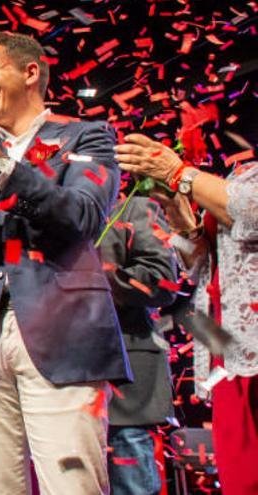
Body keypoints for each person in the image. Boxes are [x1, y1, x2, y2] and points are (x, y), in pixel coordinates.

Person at [0, 31, 130, 494]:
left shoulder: (87, 136)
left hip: (62, 336)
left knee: (72, 487)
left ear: (31, 72)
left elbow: (81, 217)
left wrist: (2, 166)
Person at [114, 133, 258, 495]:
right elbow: (199, 266)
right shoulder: (241, 173)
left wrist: (180, 173)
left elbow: (251, 213)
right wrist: (181, 215)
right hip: (231, 348)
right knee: (243, 478)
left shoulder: (235, 186)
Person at [96, 196, 178, 494]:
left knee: (130, 484)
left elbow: (164, 280)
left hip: (124, 382)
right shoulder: (45, 216)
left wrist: (95, 278)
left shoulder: (133, 208)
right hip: (57, 376)